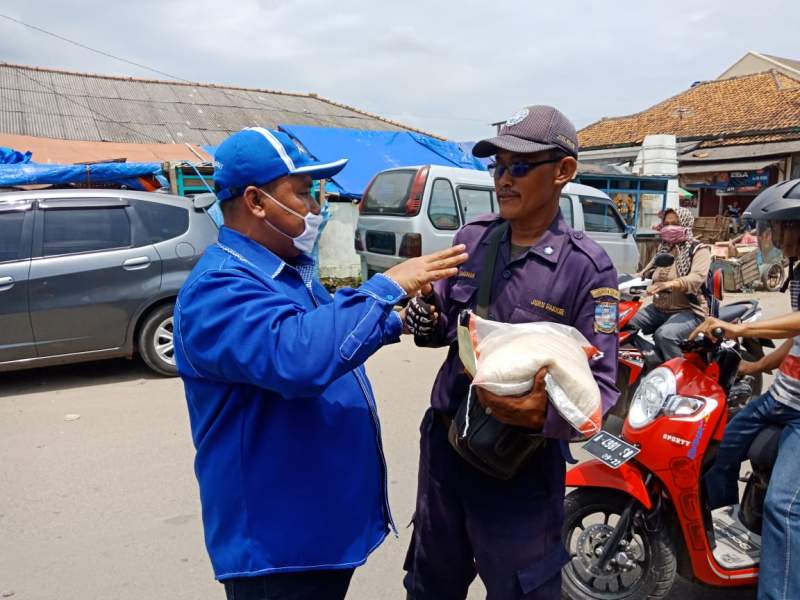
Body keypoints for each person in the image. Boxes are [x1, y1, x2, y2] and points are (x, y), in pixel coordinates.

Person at [172, 128, 468, 600]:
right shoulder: (220, 287)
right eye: (304, 193)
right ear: (256, 201)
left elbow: (328, 331)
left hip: (314, 531)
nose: (317, 207)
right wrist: (387, 286)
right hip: (278, 549)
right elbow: (298, 356)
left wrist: (398, 323)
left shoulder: (284, 269)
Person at [401, 106, 620, 599]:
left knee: (522, 591)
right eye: (497, 166)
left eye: (519, 166)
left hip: (520, 466)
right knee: (431, 583)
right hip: (447, 448)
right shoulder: (473, 241)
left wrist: (540, 415)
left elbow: (601, 393)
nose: (503, 179)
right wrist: (427, 318)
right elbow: (445, 324)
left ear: (563, 171)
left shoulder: (588, 270)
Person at [693, 179, 800, 600]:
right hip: (781, 397)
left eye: (778, 229)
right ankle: (734, 526)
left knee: (785, 508)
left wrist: (742, 327)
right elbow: (794, 343)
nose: (771, 239)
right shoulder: (796, 275)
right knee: (717, 451)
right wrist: (754, 366)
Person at [628, 207, 711, 360]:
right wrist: (614, 279)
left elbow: (696, 278)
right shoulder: (663, 249)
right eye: (666, 223)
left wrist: (670, 284)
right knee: (624, 324)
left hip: (689, 311)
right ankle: (651, 361)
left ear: (686, 224)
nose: (670, 227)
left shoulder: (698, 249)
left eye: (675, 223)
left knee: (665, 335)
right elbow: (644, 274)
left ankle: (677, 378)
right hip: (658, 309)